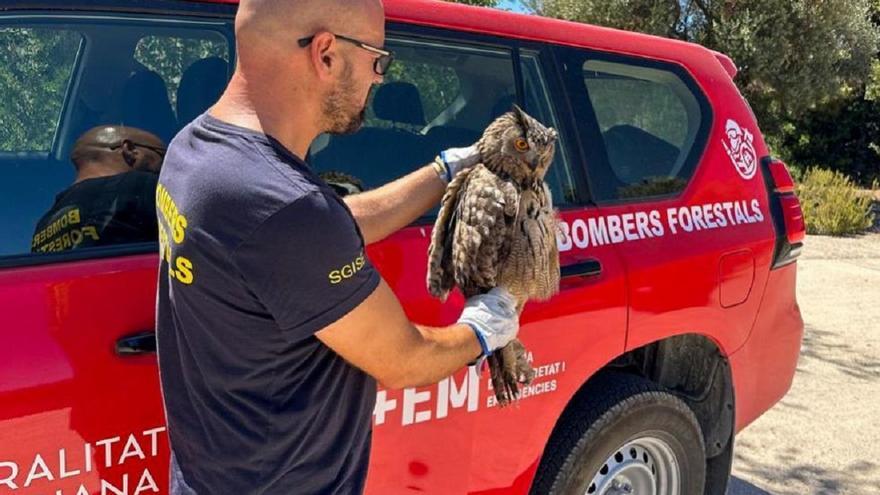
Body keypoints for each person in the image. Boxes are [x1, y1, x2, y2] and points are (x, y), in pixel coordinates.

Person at [154, 1, 521, 494]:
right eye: (378, 58)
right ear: (325, 53)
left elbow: (316, 232)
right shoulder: (284, 209)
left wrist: (443, 174)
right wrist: (485, 326)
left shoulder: (196, 150)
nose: (380, 79)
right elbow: (405, 359)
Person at [31, 125, 165, 253]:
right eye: (162, 155)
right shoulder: (141, 185)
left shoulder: (44, 223)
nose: (167, 164)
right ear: (129, 150)